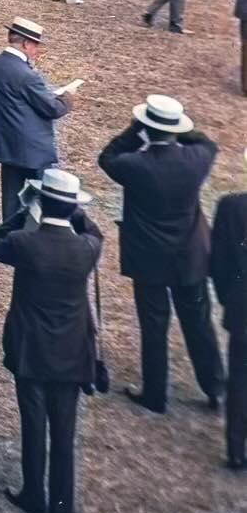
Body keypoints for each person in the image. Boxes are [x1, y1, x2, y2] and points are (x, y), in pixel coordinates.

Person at [0, 167, 102, 513]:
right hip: (71, 348)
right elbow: (93, 230)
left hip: (30, 346)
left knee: (33, 422)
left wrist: (24, 212)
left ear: (41, 203)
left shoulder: (26, 244)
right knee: (65, 427)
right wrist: (74, 211)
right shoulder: (86, 250)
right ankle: (62, 502)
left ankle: (34, 493)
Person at [98, 95, 224, 414]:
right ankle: (215, 387)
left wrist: (133, 129)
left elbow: (108, 157)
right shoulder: (196, 159)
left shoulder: (134, 165)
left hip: (149, 258)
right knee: (199, 322)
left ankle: (155, 393)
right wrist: (183, 128)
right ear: (175, 130)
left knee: (154, 326)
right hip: (190, 255)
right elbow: (207, 143)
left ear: (147, 128)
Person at [0, 17, 78, 219]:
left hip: (6, 144)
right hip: (33, 150)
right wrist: (68, 97)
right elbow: (52, 109)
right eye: (36, 45)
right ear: (26, 44)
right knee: (49, 199)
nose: (37, 51)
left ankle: (7, 239)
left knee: (11, 200)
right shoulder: (27, 75)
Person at [212, 165, 247, 469]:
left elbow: (219, 262)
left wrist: (229, 298)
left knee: (239, 380)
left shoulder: (232, 206)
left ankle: (237, 449)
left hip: (242, 307)